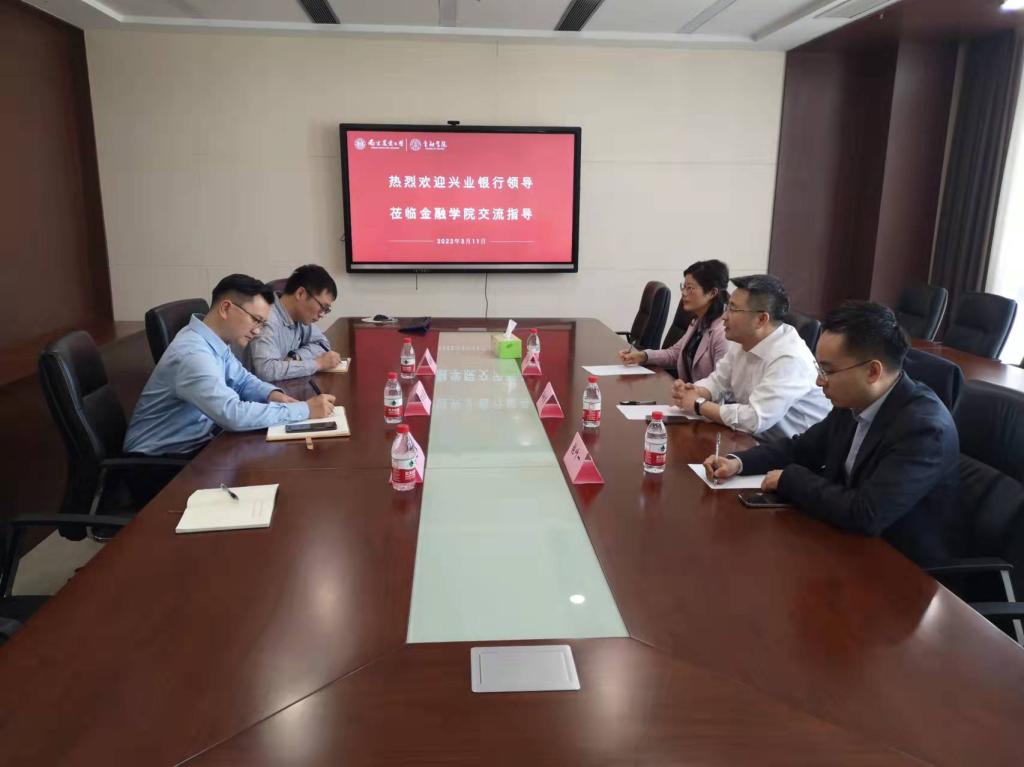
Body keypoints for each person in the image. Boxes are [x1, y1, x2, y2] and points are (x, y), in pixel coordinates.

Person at [703, 301, 960, 566]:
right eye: (819, 369)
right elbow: (801, 448)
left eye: (828, 371)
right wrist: (739, 462)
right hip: (842, 541)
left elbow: (866, 513)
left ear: (873, 371)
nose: (819, 381)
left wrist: (790, 479)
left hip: (898, 566)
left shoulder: (924, 429)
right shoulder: (855, 400)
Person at [124, 274, 335, 457]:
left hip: (200, 443)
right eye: (256, 320)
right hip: (160, 463)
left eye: (262, 324)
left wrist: (274, 395)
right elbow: (232, 414)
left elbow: (242, 380)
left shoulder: (213, 340)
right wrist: (304, 409)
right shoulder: (193, 354)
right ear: (226, 308)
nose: (258, 331)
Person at [673, 274, 830, 442]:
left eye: (733, 309)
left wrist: (699, 404)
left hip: (795, 449)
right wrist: (697, 391)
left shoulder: (789, 358)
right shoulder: (744, 340)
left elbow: (755, 419)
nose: (724, 316)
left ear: (761, 319)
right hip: (753, 440)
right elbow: (718, 381)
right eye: (727, 307)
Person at [619, 260, 730, 381]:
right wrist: (643, 356)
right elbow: (674, 354)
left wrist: (691, 390)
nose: (683, 293)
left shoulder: (723, 333)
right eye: (684, 287)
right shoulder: (698, 322)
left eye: (690, 288)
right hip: (685, 390)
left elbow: (721, 384)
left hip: (699, 393)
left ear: (712, 292)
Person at [242, 264, 342, 381]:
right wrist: (317, 364)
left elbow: (322, 344)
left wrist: (296, 356)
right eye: (322, 307)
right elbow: (267, 370)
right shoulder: (266, 318)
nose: (322, 314)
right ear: (300, 293)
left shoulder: (300, 317)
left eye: (326, 310)